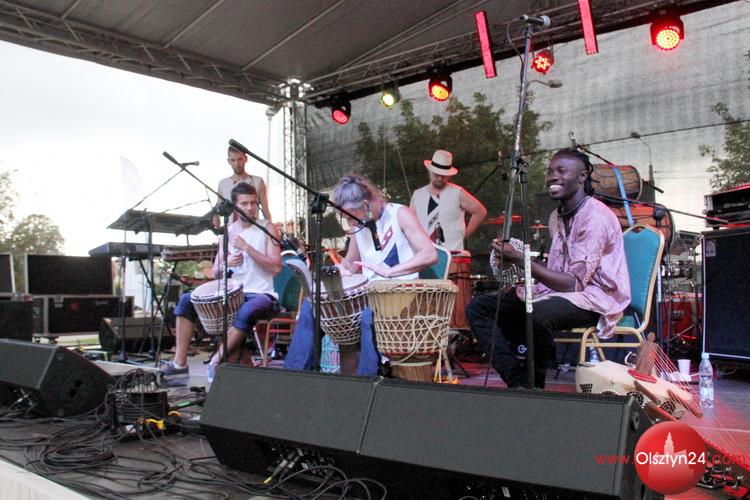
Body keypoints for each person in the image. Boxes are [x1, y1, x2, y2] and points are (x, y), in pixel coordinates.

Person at [465, 148, 630, 389]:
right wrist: (515, 266)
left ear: (582, 176)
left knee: (537, 314)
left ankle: (534, 386)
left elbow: (574, 283)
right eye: (550, 171)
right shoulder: (557, 216)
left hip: (595, 299)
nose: (553, 176)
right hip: (560, 293)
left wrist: (520, 259)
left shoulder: (595, 217)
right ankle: (519, 382)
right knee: (480, 307)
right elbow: (558, 268)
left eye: (561, 171)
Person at [285, 174, 437, 375]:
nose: (348, 222)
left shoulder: (400, 214)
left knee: (367, 317)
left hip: (400, 295)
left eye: (350, 216)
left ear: (366, 204)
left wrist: (390, 272)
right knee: (311, 307)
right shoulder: (359, 225)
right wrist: (339, 271)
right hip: (369, 295)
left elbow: (429, 254)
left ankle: (367, 383)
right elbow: (350, 263)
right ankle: (295, 376)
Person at [162, 182, 281, 384]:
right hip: (232, 293)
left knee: (246, 310)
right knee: (186, 300)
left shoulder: (268, 228)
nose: (250, 208)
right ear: (234, 206)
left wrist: (248, 248)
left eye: (253, 203)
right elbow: (217, 271)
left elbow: (276, 267)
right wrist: (227, 263)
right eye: (244, 204)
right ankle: (179, 364)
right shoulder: (228, 231)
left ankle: (215, 361)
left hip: (261, 293)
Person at [410, 149, 487, 251]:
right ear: (430, 171)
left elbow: (480, 211)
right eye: (436, 174)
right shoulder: (418, 195)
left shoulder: (457, 192)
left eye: (443, 176)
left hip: (452, 253)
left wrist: (465, 235)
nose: (439, 178)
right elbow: (410, 223)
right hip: (424, 252)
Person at [216, 146, 272, 222]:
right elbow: (217, 211)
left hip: (253, 227)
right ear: (228, 161)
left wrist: (269, 227)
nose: (237, 164)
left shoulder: (258, 181)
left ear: (246, 159)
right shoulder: (223, 184)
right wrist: (216, 220)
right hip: (230, 228)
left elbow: (266, 211)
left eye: (240, 159)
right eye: (233, 160)